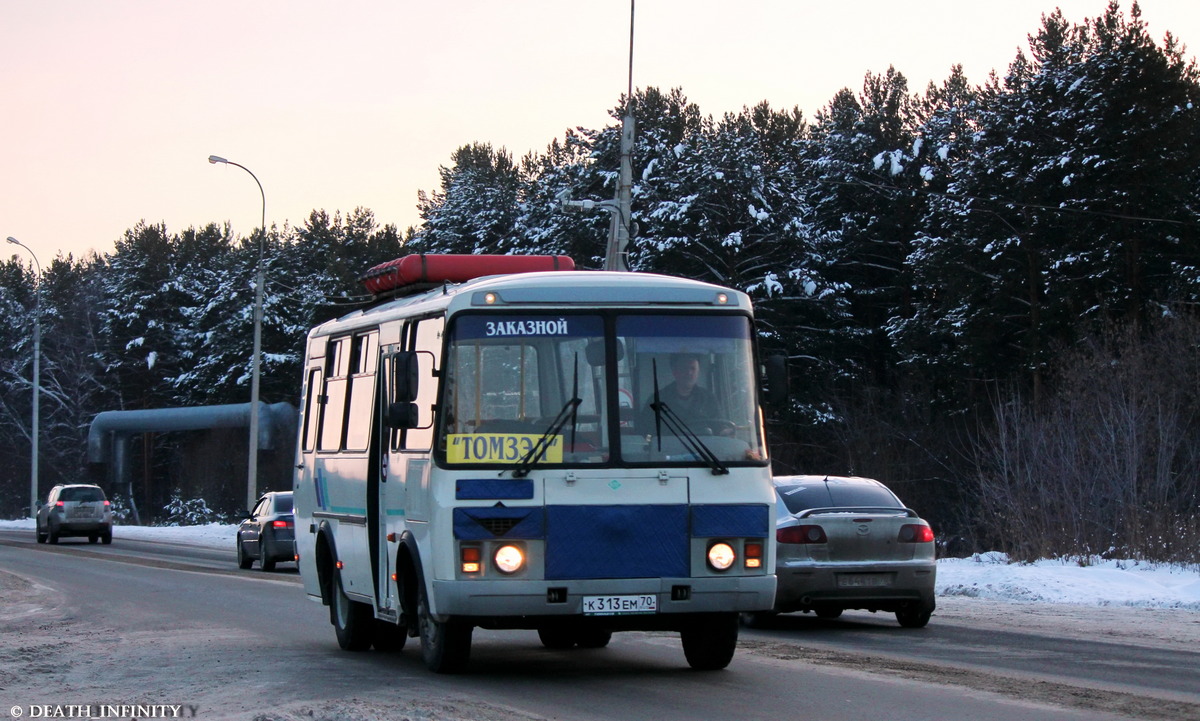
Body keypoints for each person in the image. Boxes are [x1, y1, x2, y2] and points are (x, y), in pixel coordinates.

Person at [645, 353, 719, 433]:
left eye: (693, 368)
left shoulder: (709, 399)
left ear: (698, 372)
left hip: (705, 445)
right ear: (675, 372)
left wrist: (725, 431)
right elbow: (645, 431)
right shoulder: (656, 400)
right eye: (684, 368)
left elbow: (719, 427)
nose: (689, 373)